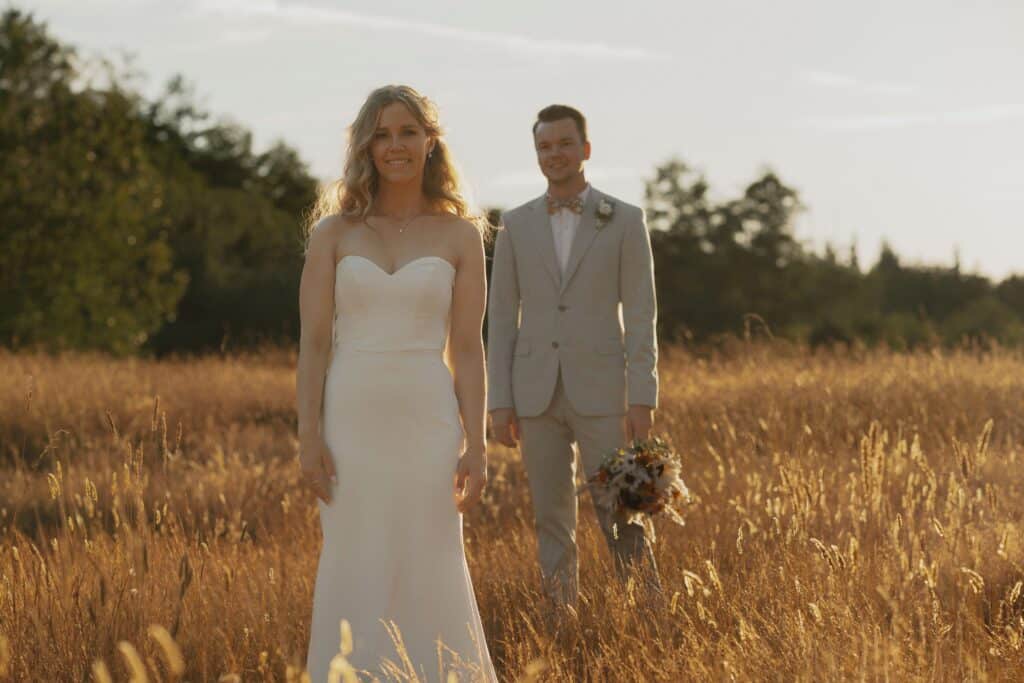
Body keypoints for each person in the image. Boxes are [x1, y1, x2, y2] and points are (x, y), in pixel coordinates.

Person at [296, 84, 497, 682]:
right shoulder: (332, 233)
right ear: (366, 145)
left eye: (407, 131)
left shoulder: (462, 235)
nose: (395, 145)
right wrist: (309, 435)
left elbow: (467, 348)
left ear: (430, 141)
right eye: (381, 134)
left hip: (428, 421)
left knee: (432, 557)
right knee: (353, 561)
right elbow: (312, 344)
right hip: (351, 420)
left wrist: (478, 444)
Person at [486, 104, 662, 612]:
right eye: (545, 146)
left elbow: (643, 313)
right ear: (536, 154)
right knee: (550, 517)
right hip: (535, 392)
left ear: (585, 150)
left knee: (622, 511)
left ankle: (647, 617)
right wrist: (501, 401)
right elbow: (500, 319)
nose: (554, 154)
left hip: (605, 392)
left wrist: (642, 395)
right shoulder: (515, 225)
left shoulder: (625, 219)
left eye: (564, 144)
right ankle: (561, 621)